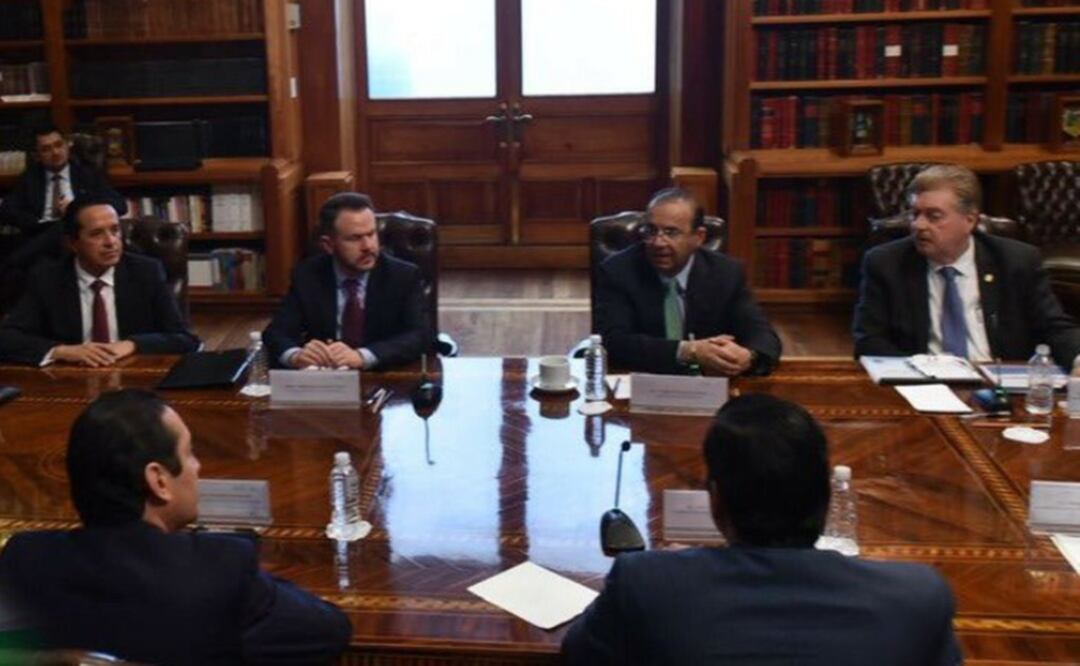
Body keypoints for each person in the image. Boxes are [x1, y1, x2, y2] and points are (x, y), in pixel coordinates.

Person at [562, 394, 962, 666]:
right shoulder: (918, 598)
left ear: (715, 500)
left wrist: (677, 568)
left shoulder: (646, 583)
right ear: (827, 495)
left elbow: (577, 654)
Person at [0, 389, 352, 664]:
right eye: (189, 453)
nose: (197, 467)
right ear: (159, 481)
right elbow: (330, 631)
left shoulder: (24, 558)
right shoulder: (221, 568)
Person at [853, 164, 1080, 369]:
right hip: (923, 382)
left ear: (969, 220)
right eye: (915, 214)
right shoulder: (886, 263)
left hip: (999, 383)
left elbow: (1054, 327)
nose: (919, 225)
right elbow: (869, 341)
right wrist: (922, 369)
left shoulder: (1016, 261)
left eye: (934, 216)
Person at [594, 188, 781, 375]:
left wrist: (749, 357)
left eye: (671, 232)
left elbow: (762, 334)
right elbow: (613, 341)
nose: (658, 243)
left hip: (708, 382)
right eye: (651, 231)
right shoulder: (618, 271)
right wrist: (687, 351)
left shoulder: (726, 273)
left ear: (698, 237)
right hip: (642, 380)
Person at [0, 197, 199, 366]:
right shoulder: (48, 278)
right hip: (70, 380)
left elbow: (184, 339)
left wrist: (132, 344)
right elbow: (7, 338)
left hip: (133, 379)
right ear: (72, 243)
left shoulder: (146, 272)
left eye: (115, 230)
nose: (111, 241)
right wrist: (61, 351)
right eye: (96, 234)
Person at [263, 192, 428, 369]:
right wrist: (296, 355)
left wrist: (362, 356)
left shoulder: (403, 276)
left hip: (382, 377)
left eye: (371, 234)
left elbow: (421, 335)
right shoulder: (307, 274)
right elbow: (276, 332)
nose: (368, 246)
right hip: (325, 378)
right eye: (355, 238)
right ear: (328, 245)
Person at [0, 125, 128, 282]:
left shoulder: (87, 174)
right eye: (46, 149)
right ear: (37, 156)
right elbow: (7, 210)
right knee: (55, 234)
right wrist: (33, 222)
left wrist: (79, 209)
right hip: (40, 233)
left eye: (59, 145)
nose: (55, 152)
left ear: (68, 145)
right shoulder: (30, 178)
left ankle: (12, 262)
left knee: (63, 226)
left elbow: (120, 204)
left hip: (79, 233)